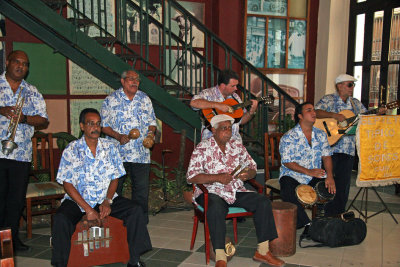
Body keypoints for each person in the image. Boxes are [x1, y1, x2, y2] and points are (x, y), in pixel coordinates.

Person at [51, 108, 151, 267]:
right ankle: (60, 264)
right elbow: (67, 184)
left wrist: (107, 201)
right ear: (82, 126)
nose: (95, 128)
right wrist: (88, 209)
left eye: (98, 124)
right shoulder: (72, 149)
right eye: (91, 124)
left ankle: (134, 260)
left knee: (135, 211)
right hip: (78, 200)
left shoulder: (110, 147)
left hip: (104, 198)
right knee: (61, 219)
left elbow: (115, 178)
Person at [186, 114, 284, 267]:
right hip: (211, 191)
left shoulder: (237, 146)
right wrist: (217, 178)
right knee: (216, 207)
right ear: (214, 130)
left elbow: (252, 167)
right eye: (224, 128)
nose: (228, 132)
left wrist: (248, 174)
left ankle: (263, 251)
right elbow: (191, 176)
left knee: (263, 202)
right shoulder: (202, 148)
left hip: (234, 190)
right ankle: (220, 257)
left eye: (230, 128)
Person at [315, 74, 386, 216]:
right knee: (327, 182)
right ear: (339, 85)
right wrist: (335, 116)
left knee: (343, 185)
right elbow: (316, 112)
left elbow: (366, 118)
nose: (352, 88)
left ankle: (338, 213)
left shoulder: (355, 103)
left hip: (348, 150)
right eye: (349, 85)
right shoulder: (328, 99)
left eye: (353, 85)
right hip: (330, 149)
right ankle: (324, 214)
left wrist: (378, 113)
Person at [0, 50, 49, 251]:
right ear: (7, 62)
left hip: (21, 154)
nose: (22, 67)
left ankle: (10, 239)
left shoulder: (32, 91)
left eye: (26, 64)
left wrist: (25, 119)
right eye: (18, 62)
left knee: (16, 200)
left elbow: (44, 120)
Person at [101, 70, 156, 223]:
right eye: (131, 79)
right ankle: (115, 221)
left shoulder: (144, 99)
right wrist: (118, 136)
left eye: (137, 79)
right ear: (123, 81)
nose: (134, 82)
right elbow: (104, 126)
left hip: (141, 154)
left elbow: (152, 123)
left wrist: (151, 135)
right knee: (115, 190)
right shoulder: (111, 100)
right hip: (118, 154)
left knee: (141, 191)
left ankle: (140, 223)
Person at [279, 102, 335, 233]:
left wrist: (330, 176)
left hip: (315, 175)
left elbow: (327, 156)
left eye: (314, 110)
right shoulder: (289, 137)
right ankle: (307, 224)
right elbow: (287, 162)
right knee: (287, 190)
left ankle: (329, 222)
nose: (314, 113)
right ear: (300, 116)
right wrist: (308, 171)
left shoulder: (321, 134)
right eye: (309, 110)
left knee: (332, 189)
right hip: (292, 175)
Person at [190, 69, 258, 142]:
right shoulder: (208, 93)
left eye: (236, 85)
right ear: (223, 86)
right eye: (233, 86)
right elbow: (193, 103)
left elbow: (241, 121)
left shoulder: (236, 97)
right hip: (212, 142)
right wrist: (217, 105)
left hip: (234, 143)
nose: (236, 88)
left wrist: (251, 112)